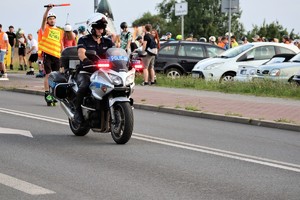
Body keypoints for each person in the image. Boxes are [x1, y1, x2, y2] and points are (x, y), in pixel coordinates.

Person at [74, 14, 114, 124]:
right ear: (92, 28)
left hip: (104, 72)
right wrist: (86, 60)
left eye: (102, 28)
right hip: (87, 70)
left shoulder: (108, 42)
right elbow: (81, 53)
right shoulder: (84, 40)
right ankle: (77, 112)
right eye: (98, 28)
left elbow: (114, 53)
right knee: (84, 86)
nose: (101, 30)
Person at [38, 4, 64, 105]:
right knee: (48, 75)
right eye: (50, 19)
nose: (52, 20)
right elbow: (43, 19)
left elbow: (60, 43)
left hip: (57, 56)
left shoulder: (60, 31)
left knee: (56, 76)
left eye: (53, 19)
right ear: (48, 21)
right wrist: (48, 10)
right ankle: (47, 93)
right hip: (47, 55)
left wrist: (63, 53)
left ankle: (54, 93)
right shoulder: (45, 29)